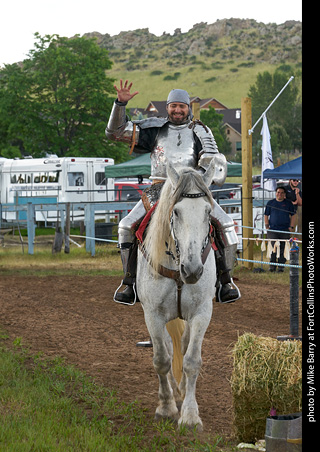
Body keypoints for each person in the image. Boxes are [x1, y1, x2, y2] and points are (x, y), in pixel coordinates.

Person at [106, 79, 241, 304]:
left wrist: (195, 180)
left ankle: (225, 281)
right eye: (173, 105)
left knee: (225, 224)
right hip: (159, 188)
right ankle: (129, 283)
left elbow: (211, 159)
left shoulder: (200, 130)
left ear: (188, 107)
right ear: (167, 107)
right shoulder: (154, 129)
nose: (177, 110)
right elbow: (116, 132)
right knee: (126, 226)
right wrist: (120, 104)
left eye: (182, 106)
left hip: (193, 189)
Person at [264, 186, 296, 272]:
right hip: (273, 230)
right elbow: (266, 215)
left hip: (285, 229)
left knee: (283, 247)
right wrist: (267, 226)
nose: (279, 194)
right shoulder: (270, 203)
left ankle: (281, 266)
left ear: (284, 194)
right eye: (278, 192)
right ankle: (272, 266)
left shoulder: (288, 204)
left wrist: (291, 227)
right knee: (272, 247)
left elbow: (293, 215)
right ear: (276, 193)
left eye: (282, 193)